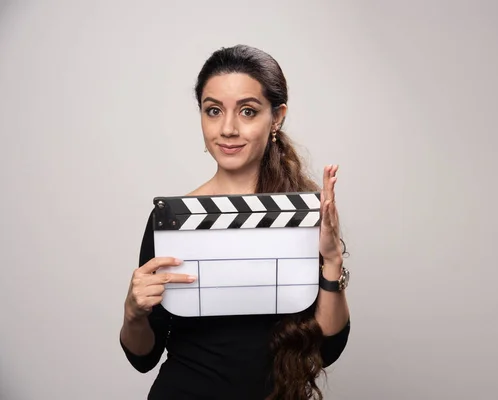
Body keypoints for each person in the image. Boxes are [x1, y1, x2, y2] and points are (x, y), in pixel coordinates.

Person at [119, 44, 351, 400]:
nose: (227, 128)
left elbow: (327, 349)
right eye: (213, 111)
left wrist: (332, 261)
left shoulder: (302, 216)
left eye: (247, 111)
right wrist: (133, 312)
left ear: (276, 117)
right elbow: (143, 357)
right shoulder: (172, 220)